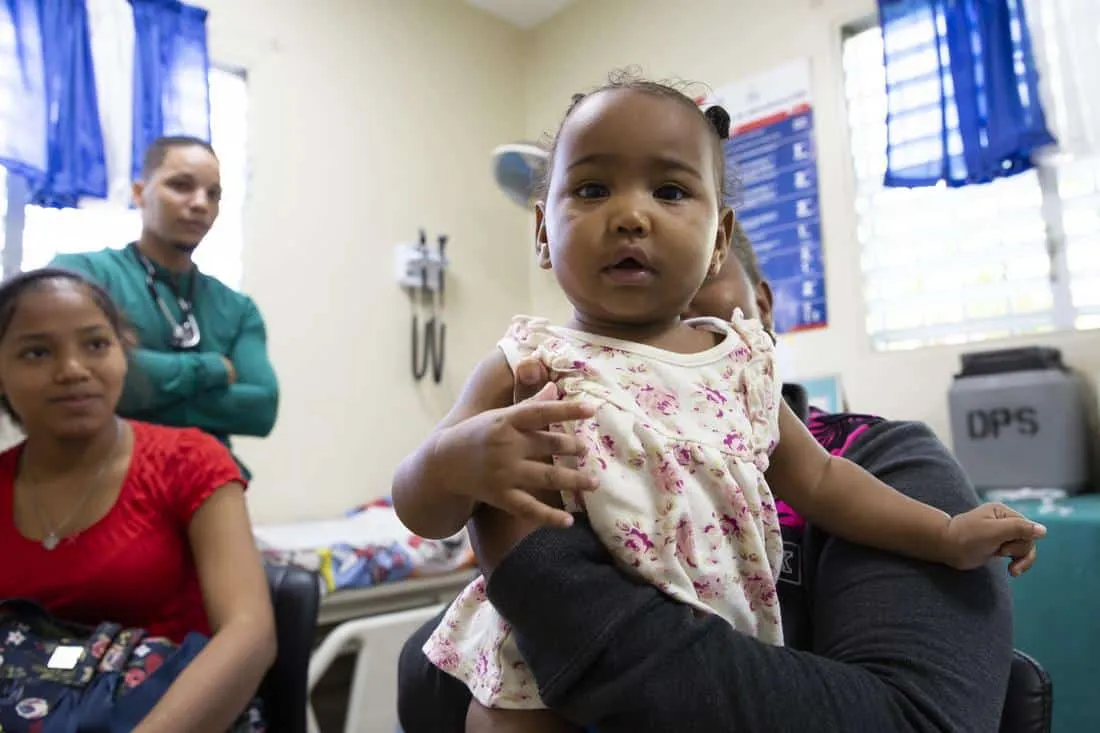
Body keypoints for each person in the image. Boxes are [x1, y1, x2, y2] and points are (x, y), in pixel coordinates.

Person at [394, 74, 1038, 733]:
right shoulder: (529, 362)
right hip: (537, 682)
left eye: (670, 191)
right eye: (591, 189)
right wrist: (452, 466)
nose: (631, 215)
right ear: (541, 231)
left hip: (719, 656)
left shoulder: (738, 368)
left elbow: (823, 480)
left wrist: (944, 533)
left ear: (719, 241)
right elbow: (420, 506)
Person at [0, 268, 276, 732]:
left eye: (96, 344)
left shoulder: (190, 462)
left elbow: (250, 633)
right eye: (37, 352)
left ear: (123, 353)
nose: (73, 370)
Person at [49, 136, 278, 478]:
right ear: (139, 193)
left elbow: (261, 408)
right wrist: (210, 370)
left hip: (210, 484)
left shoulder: (238, 309)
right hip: (101, 481)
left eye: (213, 194)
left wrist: (138, 402)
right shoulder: (82, 276)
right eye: (181, 186)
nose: (200, 203)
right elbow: (86, 372)